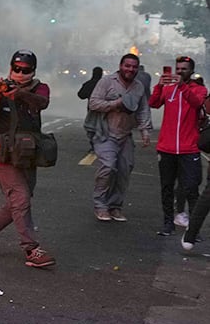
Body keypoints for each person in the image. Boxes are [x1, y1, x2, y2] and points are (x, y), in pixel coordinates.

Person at [0, 50, 55, 268]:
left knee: (16, 202)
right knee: (21, 198)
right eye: (16, 69)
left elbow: (42, 103)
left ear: (32, 71)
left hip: (27, 153)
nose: (19, 73)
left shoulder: (39, 88)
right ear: (10, 68)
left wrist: (21, 94)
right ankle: (31, 248)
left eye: (25, 70)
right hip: (3, 153)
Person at [87, 53, 152, 222]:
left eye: (134, 67)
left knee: (124, 170)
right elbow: (93, 103)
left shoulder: (138, 87)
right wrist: (115, 104)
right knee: (108, 167)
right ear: (120, 66)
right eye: (127, 66)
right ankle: (100, 205)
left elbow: (143, 108)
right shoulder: (107, 82)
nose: (130, 69)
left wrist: (145, 130)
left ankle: (115, 206)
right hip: (105, 133)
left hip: (126, 135)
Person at [149, 56, 206, 236]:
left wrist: (182, 86)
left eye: (184, 69)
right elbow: (153, 103)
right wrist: (159, 85)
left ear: (192, 71)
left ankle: (193, 229)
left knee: (191, 188)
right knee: (167, 187)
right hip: (166, 148)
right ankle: (168, 223)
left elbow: (196, 104)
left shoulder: (200, 89)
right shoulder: (168, 89)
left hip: (189, 148)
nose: (180, 71)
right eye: (178, 69)